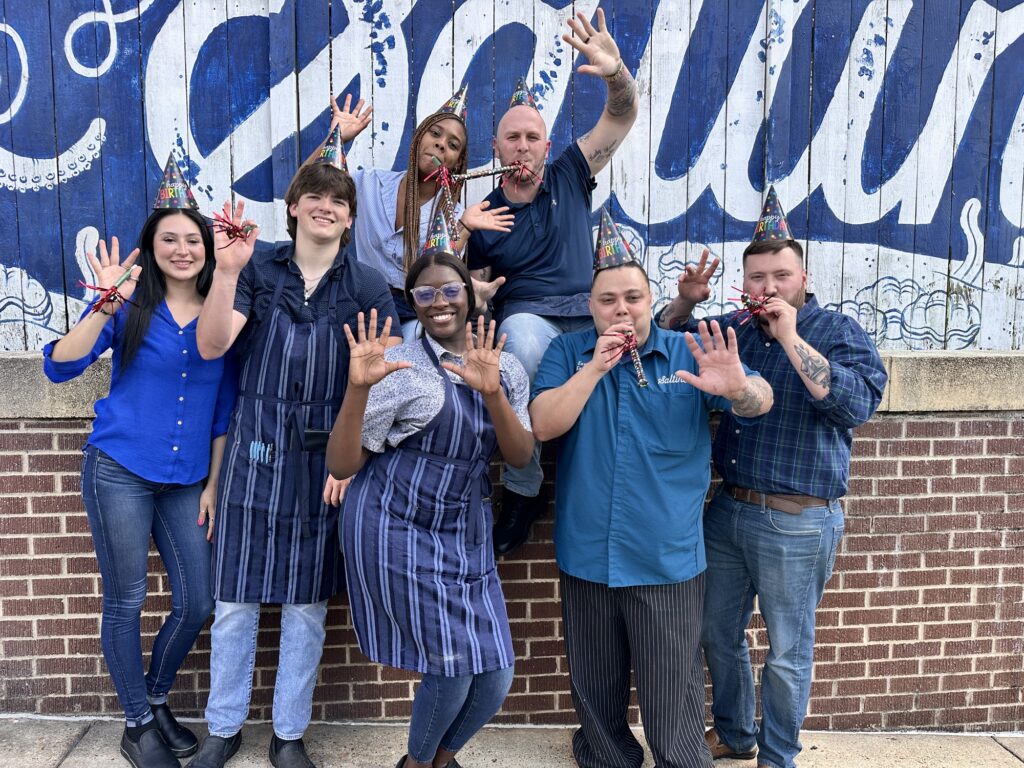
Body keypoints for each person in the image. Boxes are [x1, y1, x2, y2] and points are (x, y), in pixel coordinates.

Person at [529, 210, 773, 768]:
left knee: (674, 704)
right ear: (591, 307)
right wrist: (594, 368)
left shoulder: (689, 351)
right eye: (609, 299)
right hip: (587, 555)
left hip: (665, 562)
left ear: (649, 299)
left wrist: (739, 389)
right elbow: (543, 424)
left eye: (633, 297)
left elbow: (760, 400)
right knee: (595, 694)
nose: (622, 309)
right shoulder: (568, 354)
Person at [188, 138, 401, 768]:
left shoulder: (369, 284)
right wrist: (225, 272)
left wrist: (351, 457)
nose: (327, 207)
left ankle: (287, 735)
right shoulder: (258, 270)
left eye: (339, 200)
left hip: (322, 456)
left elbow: (385, 376)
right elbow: (211, 345)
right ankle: (223, 728)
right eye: (316, 196)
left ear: (352, 215)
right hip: (253, 446)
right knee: (234, 600)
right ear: (293, 206)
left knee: (307, 607)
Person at [657, 187, 888, 768]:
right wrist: (684, 304)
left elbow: (856, 406)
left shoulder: (837, 331)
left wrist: (789, 337)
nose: (768, 288)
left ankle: (778, 756)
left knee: (787, 651)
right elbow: (664, 338)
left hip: (799, 519)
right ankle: (736, 734)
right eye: (757, 277)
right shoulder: (734, 326)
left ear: (803, 276)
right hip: (729, 509)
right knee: (714, 632)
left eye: (780, 275)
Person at [42, 155, 235, 768]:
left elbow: (226, 406)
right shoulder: (127, 305)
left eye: (192, 239)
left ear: (208, 247)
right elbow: (59, 365)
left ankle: (152, 699)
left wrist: (213, 483)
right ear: (152, 247)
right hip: (119, 469)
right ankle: (135, 724)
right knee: (124, 600)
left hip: (185, 482)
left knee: (197, 600)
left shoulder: (222, 313)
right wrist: (101, 303)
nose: (182, 249)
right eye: (168, 239)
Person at [326, 214, 534, 768]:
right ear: (412, 301)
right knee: (451, 667)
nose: (438, 301)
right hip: (395, 522)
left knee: (495, 676)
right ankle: (419, 766)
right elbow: (343, 461)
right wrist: (355, 389)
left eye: (450, 289)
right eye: (424, 293)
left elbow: (520, 457)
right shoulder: (398, 366)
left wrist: (493, 394)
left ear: (470, 295)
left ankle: (433, 763)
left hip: (464, 530)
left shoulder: (504, 365)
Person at [467, 9, 639, 555]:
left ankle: (624, 483)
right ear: (497, 150)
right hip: (530, 320)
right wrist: (475, 284)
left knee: (648, 336)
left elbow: (621, 118)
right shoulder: (483, 211)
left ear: (546, 145)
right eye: (512, 138)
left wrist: (615, 74)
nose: (523, 146)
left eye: (532, 137)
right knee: (516, 342)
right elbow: (463, 289)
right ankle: (525, 486)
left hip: (588, 312)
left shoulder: (569, 171)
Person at [313, 90, 513, 340]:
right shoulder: (370, 184)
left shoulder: (454, 214)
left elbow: (434, 275)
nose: (441, 144)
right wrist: (336, 137)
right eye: (435, 133)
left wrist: (464, 228)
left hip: (415, 313)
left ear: (456, 162)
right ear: (419, 137)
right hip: (361, 302)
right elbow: (307, 189)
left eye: (453, 145)